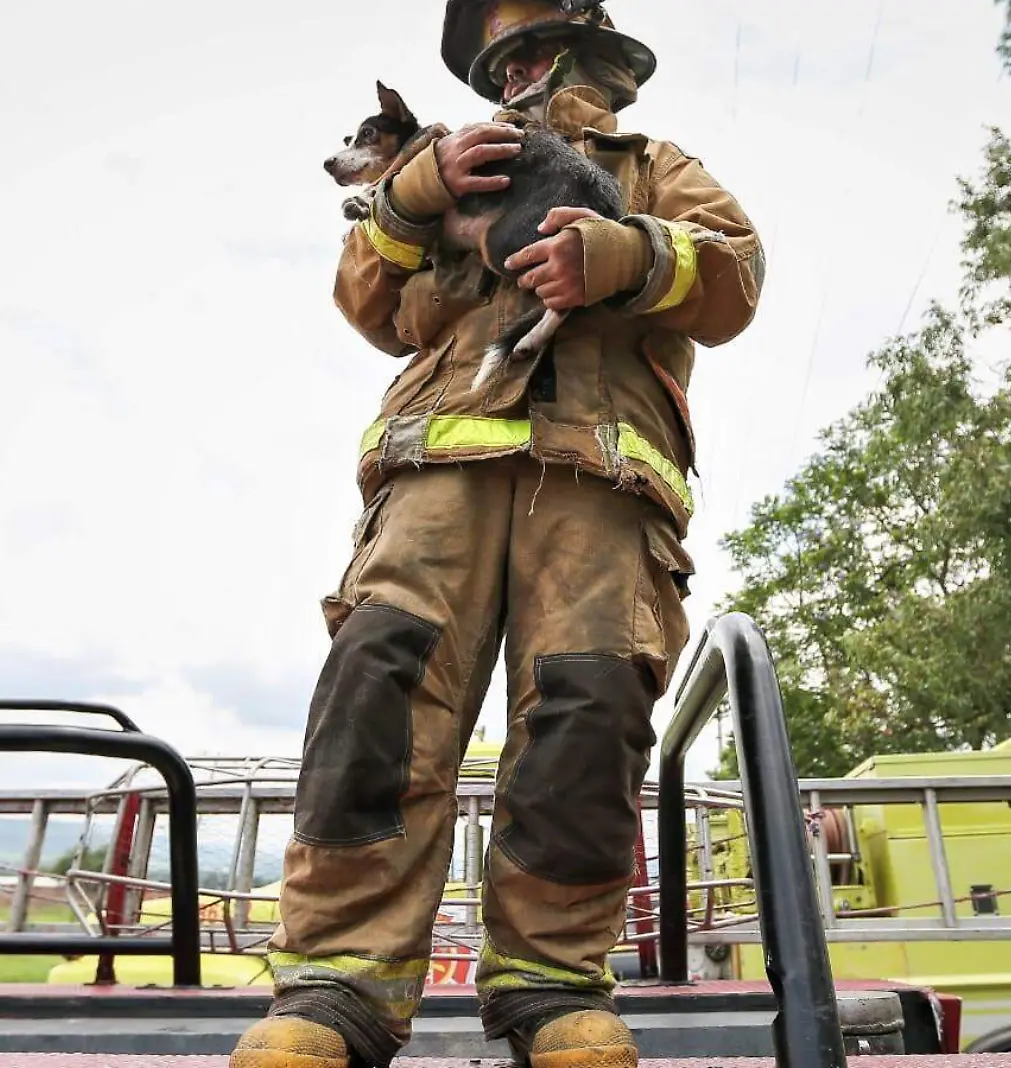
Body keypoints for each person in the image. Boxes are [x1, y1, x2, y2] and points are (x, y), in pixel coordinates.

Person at [233, 3, 765, 1067]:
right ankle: (337, 986)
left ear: (600, 61)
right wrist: (409, 198)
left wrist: (626, 254)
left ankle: (550, 989)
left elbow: (735, 278)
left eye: (536, 48)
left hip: (604, 486)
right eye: (503, 57)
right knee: (375, 687)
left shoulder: (659, 164)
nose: (517, 68)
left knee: (588, 706)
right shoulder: (445, 165)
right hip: (434, 477)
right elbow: (369, 303)